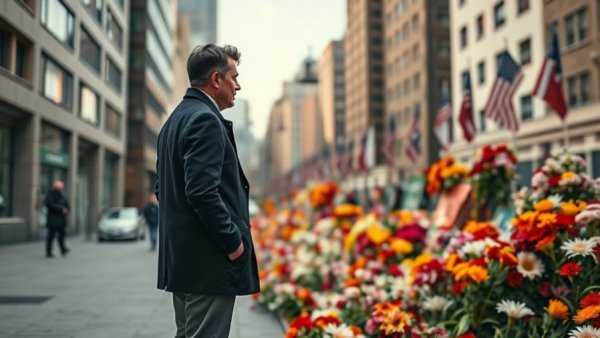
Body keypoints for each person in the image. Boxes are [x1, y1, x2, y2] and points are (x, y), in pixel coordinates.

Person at [155, 44, 259, 338]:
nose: (238, 85)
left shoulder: (173, 121)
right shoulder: (205, 120)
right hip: (209, 264)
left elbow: (163, 191)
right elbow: (201, 192)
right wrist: (233, 242)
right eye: (234, 77)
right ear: (216, 79)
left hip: (184, 262)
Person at [44, 180, 70, 258]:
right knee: (51, 236)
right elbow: (50, 205)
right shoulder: (50, 194)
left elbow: (67, 205)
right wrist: (62, 208)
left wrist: (67, 209)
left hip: (61, 220)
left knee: (62, 235)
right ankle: (48, 252)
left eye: (61, 187)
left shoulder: (63, 195)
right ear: (55, 187)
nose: (60, 189)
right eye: (59, 187)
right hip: (53, 220)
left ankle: (63, 249)